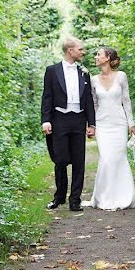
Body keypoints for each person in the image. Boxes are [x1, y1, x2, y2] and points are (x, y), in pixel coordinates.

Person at [41, 37, 96, 211]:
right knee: (61, 159)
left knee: (79, 161)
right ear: (70, 51)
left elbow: (88, 100)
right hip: (59, 120)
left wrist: (91, 124)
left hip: (79, 120)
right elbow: (47, 97)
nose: (83, 52)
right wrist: (46, 120)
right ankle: (59, 197)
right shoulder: (52, 71)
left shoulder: (84, 72)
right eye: (80, 49)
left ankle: (75, 200)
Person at [83, 47, 135, 210]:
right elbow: (93, 104)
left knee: (119, 158)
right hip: (102, 124)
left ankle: (123, 196)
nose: (96, 57)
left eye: (99, 54)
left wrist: (131, 123)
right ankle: (104, 197)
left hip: (119, 123)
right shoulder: (93, 80)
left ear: (107, 58)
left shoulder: (121, 76)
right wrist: (91, 125)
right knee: (106, 159)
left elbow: (126, 100)